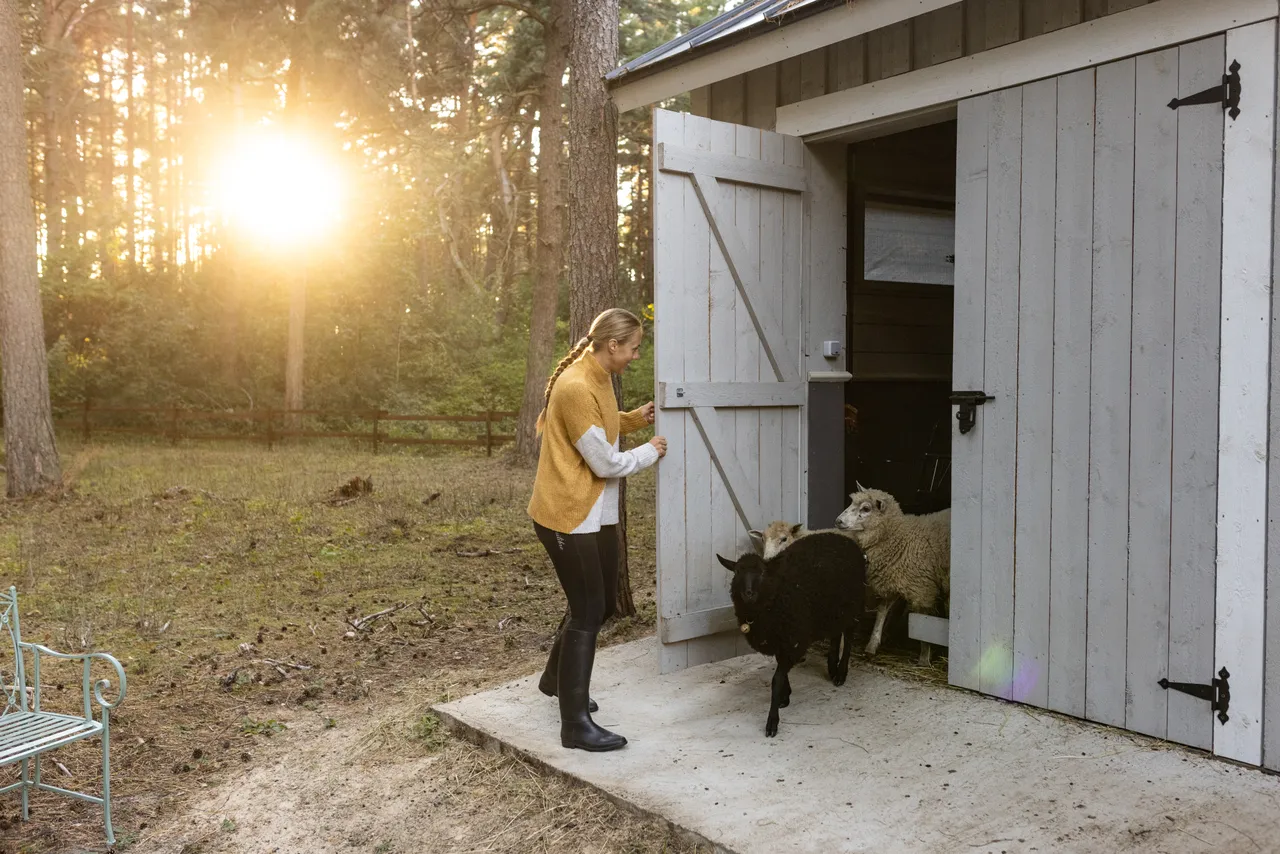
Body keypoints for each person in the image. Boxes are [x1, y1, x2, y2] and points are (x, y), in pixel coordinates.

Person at [527, 308, 666, 752]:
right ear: (612, 346)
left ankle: (555, 678)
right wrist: (650, 451)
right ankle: (575, 725)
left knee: (603, 604)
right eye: (633, 348)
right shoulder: (574, 386)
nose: (636, 355)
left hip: (595, 512)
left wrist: (632, 419)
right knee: (586, 610)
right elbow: (604, 461)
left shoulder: (599, 376)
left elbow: (598, 424)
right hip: (567, 515)